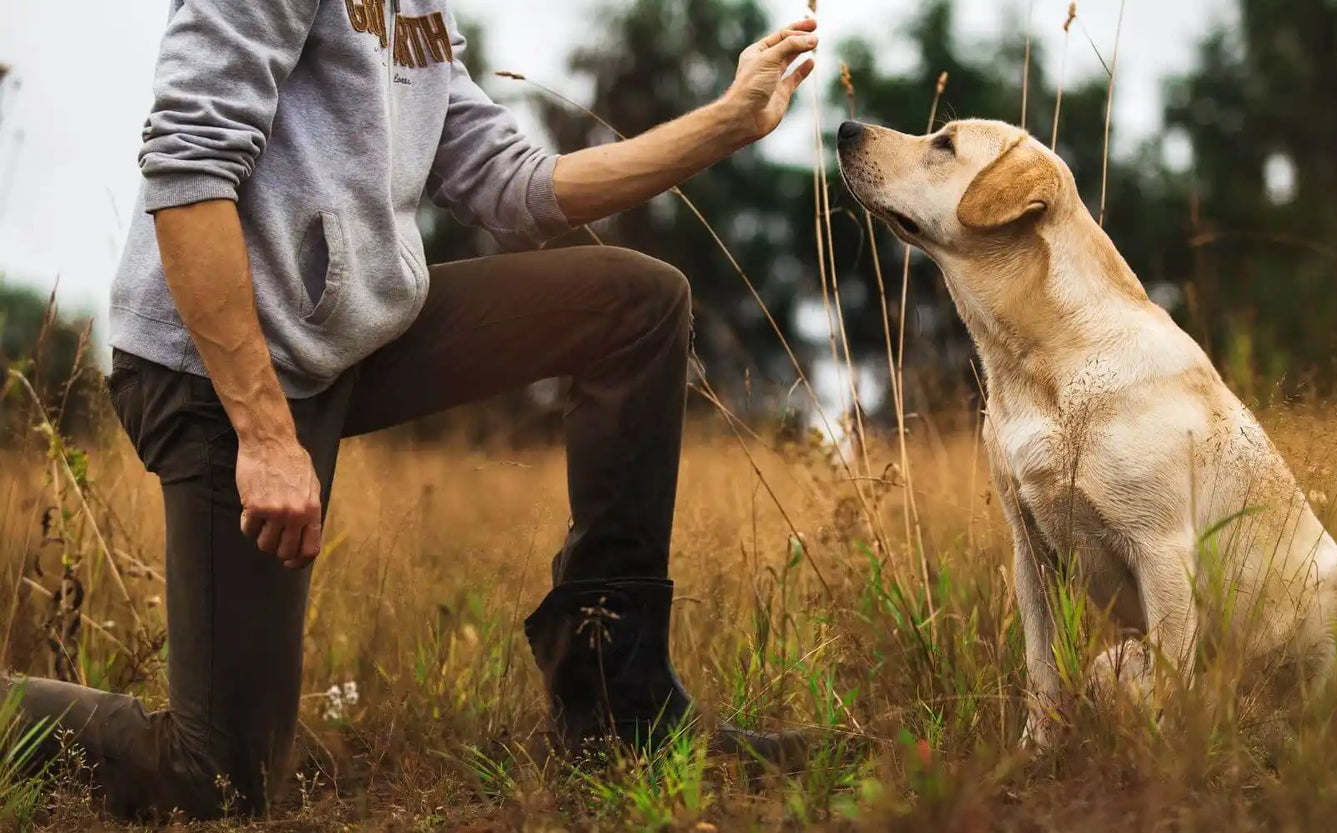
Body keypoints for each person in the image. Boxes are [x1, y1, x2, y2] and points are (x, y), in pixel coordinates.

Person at [4, 1, 818, 821]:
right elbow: (186, 170)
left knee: (636, 304)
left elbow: (514, 186)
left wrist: (726, 122)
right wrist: (264, 433)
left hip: (354, 335)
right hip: (216, 368)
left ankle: (618, 709)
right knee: (216, 778)